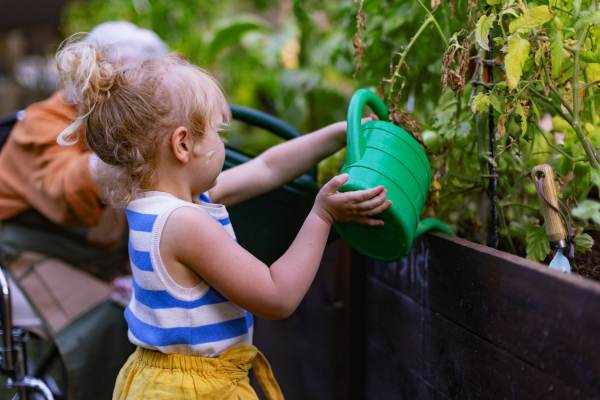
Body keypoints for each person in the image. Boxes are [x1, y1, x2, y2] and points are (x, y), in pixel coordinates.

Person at [55, 36, 392, 399]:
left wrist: (343, 132)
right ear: (183, 145)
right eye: (219, 131)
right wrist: (322, 215)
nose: (223, 143)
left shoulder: (157, 202)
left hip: (161, 381)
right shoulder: (184, 224)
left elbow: (266, 167)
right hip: (197, 390)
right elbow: (277, 296)